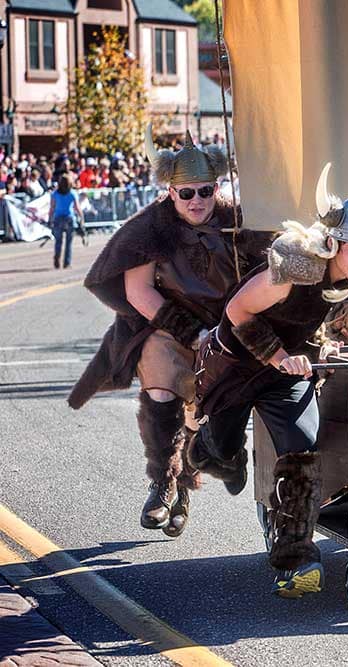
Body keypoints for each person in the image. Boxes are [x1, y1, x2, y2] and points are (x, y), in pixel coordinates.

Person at [191, 172, 348, 598]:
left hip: (286, 373)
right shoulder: (296, 266)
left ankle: (296, 559)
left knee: (303, 449)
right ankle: (212, 451)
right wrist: (278, 356)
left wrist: (319, 346)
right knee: (220, 452)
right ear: (333, 243)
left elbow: (309, 318)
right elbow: (236, 312)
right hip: (236, 367)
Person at [67, 128, 271, 538]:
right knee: (162, 392)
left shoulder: (238, 221)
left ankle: (189, 485)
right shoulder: (152, 228)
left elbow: (268, 277)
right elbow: (138, 292)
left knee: (199, 414)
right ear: (171, 192)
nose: (197, 201)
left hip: (228, 331)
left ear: (216, 189)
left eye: (205, 191)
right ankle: (162, 483)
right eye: (187, 193)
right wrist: (190, 332)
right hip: (168, 327)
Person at [48, 173, 84, 270]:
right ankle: (67, 263)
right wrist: (82, 217)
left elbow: (52, 208)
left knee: (58, 241)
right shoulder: (72, 193)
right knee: (69, 242)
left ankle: (57, 257)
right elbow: (77, 207)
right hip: (69, 218)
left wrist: (49, 219)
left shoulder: (55, 194)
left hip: (58, 218)